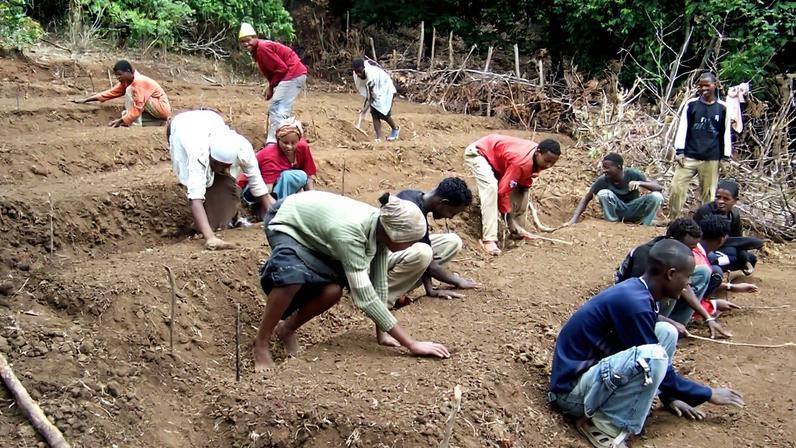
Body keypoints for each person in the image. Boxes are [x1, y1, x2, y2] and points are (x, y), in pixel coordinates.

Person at [549, 239, 745, 448]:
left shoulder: (638, 292)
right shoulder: (635, 304)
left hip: (592, 379)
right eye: (687, 277)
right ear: (670, 274)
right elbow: (650, 360)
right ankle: (603, 426)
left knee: (666, 332)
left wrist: (670, 397)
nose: (688, 284)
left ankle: (630, 407)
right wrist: (708, 394)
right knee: (653, 355)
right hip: (572, 394)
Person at [253, 190, 450, 370]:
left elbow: (379, 283)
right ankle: (261, 344)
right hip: (287, 220)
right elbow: (365, 298)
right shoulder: (351, 235)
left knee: (332, 291)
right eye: (410, 241)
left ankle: (286, 329)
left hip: (315, 230)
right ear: (395, 235)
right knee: (292, 276)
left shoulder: (382, 230)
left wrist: (382, 333)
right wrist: (411, 344)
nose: (411, 246)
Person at [168, 109, 275, 249]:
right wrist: (210, 237)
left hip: (211, 119)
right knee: (201, 190)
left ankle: (235, 218)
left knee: (225, 186)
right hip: (182, 127)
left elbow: (259, 186)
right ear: (210, 158)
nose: (221, 169)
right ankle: (204, 223)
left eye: (226, 166)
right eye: (217, 165)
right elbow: (195, 199)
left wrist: (276, 219)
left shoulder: (242, 148)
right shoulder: (198, 154)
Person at [463, 134, 561, 256]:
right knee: (491, 187)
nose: (548, 166)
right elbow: (502, 192)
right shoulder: (521, 162)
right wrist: (510, 220)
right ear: (538, 152)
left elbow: (523, 185)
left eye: (552, 163)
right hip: (480, 153)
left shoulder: (538, 157)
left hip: (498, 159)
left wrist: (520, 210)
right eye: (546, 161)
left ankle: (518, 234)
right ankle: (489, 240)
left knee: (521, 193)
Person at [389, 177, 480, 306]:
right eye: (451, 212)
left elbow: (425, 248)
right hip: (377, 260)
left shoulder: (415, 196)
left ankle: (402, 287)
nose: (450, 217)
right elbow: (431, 265)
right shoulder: (412, 212)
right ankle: (387, 294)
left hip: (395, 252)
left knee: (452, 242)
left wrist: (430, 289)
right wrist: (458, 281)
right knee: (424, 253)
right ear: (443, 202)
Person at [668, 72, 732, 219]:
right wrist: (679, 151)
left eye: (707, 85)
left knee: (708, 195)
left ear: (715, 85)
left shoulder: (723, 108)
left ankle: (705, 224)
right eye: (701, 85)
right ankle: (673, 220)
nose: (704, 89)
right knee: (676, 188)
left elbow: (726, 133)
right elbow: (683, 127)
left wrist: (725, 157)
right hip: (689, 155)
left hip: (711, 157)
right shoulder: (691, 104)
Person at [238, 23, 308, 144]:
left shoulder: (262, 48)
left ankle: (273, 143)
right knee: (277, 108)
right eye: (242, 41)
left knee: (278, 108)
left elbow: (281, 69)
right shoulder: (257, 50)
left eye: (248, 40)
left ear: (255, 37)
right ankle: (287, 137)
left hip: (293, 74)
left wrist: (271, 87)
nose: (246, 44)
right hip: (291, 75)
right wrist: (271, 85)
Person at [238, 117, 316, 217]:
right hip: (253, 190)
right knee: (289, 176)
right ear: (278, 140)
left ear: (299, 140)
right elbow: (265, 191)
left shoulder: (303, 148)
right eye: (285, 143)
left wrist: (312, 201)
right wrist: (272, 213)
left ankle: (283, 205)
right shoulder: (270, 156)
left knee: (300, 176)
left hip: (276, 185)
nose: (289, 146)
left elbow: (308, 176)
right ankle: (266, 211)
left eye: (293, 143)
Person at [569, 153, 663, 226]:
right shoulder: (603, 180)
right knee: (603, 193)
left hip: (634, 209)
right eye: (603, 167)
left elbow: (658, 188)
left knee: (656, 196)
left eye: (607, 167)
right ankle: (612, 223)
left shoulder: (633, 174)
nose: (604, 170)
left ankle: (645, 224)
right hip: (618, 211)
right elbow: (587, 198)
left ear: (619, 167)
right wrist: (574, 219)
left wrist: (640, 183)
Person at [693, 179, 763, 274]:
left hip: (722, 249)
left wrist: (746, 261)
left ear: (735, 201)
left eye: (726, 199)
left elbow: (738, 242)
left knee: (750, 258)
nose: (720, 201)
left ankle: (722, 268)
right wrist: (749, 242)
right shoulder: (706, 212)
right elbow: (706, 240)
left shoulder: (734, 215)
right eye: (718, 197)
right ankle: (716, 269)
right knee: (721, 255)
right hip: (704, 249)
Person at [72, 60, 171, 127]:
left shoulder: (138, 82)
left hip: (161, 107)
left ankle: (134, 125)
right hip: (158, 114)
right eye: (116, 75)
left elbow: (138, 106)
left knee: (130, 92)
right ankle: (158, 123)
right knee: (125, 114)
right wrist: (86, 100)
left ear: (128, 71)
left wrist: (122, 120)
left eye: (119, 74)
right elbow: (110, 93)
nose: (117, 77)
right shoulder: (127, 82)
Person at [353, 58, 399, 141]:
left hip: (386, 88)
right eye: (356, 72)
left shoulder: (371, 76)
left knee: (383, 113)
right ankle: (379, 137)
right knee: (374, 113)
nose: (358, 74)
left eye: (359, 71)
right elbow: (367, 93)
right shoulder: (357, 76)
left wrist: (364, 108)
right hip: (376, 91)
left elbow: (371, 96)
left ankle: (395, 129)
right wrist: (364, 108)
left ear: (363, 68)